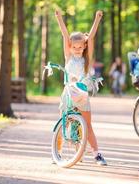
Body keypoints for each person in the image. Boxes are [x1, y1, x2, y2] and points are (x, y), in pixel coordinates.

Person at [55, 9, 107, 165]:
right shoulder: (68, 57)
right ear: (70, 47)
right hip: (68, 93)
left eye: (80, 47)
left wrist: (97, 19)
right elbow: (65, 35)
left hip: (82, 94)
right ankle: (57, 153)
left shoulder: (87, 60)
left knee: (87, 124)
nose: (77, 49)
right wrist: (59, 18)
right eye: (74, 47)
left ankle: (97, 154)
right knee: (63, 122)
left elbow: (90, 37)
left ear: (84, 47)